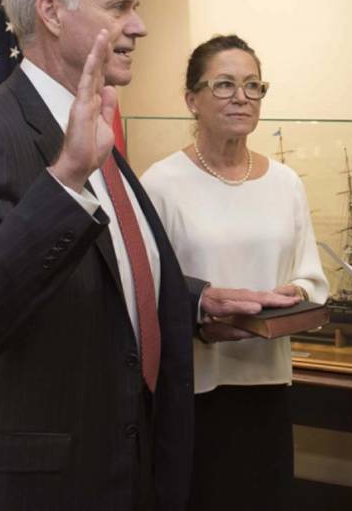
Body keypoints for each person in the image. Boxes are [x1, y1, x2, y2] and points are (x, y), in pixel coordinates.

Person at [0, 0, 296, 511]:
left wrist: (197, 304)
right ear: (51, 12)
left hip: (125, 460)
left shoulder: (97, 127)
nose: (139, 25)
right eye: (120, 6)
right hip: (45, 484)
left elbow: (113, 277)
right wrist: (65, 180)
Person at [141, 34, 328, 511]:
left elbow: (312, 278)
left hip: (266, 382)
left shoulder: (286, 183)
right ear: (191, 100)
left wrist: (292, 293)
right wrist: (204, 315)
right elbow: (145, 287)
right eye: (224, 85)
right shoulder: (161, 183)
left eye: (252, 86)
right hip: (196, 384)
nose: (241, 97)